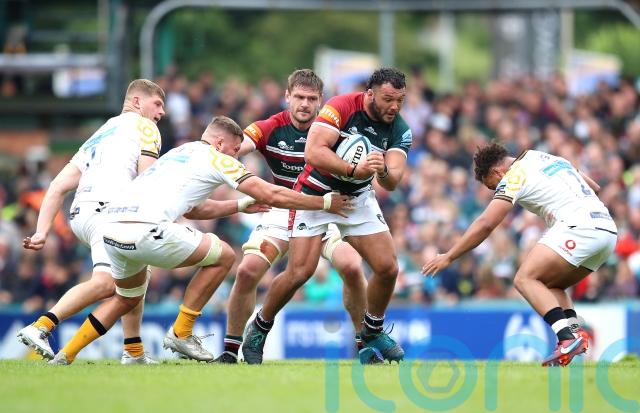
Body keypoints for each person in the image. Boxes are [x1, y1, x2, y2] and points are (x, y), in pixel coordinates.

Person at [48, 116, 352, 365]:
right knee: (225, 256)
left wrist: (239, 205)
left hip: (112, 230)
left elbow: (194, 209)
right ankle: (181, 332)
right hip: (145, 229)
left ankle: (66, 355)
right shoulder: (218, 158)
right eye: (235, 150)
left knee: (125, 299)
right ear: (220, 143)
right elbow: (270, 193)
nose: (236, 156)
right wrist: (323, 203)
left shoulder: (179, 153)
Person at [242, 67, 412, 364]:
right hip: (316, 193)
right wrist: (353, 170)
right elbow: (313, 152)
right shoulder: (341, 107)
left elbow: (392, 181)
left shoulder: (400, 129)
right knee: (300, 272)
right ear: (370, 95)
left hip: (356, 198)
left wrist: (382, 169)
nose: (394, 107)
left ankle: (372, 330)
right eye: (388, 99)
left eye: (400, 100)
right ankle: (259, 327)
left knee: (388, 267)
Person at [214, 69, 368, 364]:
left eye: (311, 98)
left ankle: (364, 344)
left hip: (324, 210)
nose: (304, 104)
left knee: (351, 266)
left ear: (321, 100)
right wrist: (217, 154)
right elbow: (238, 147)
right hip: (282, 210)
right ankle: (231, 351)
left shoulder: (334, 131)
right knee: (247, 271)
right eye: (299, 97)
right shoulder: (270, 127)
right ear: (287, 96)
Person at [422, 143, 617, 367]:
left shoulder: (514, 175)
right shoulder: (547, 158)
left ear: (497, 172)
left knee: (525, 279)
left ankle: (566, 339)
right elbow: (594, 187)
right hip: (607, 231)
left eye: (493, 186)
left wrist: (449, 256)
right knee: (550, 286)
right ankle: (575, 332)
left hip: (579, 227)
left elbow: (486, 223)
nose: (496, 190)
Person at [18, 79, 166, 364]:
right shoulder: (146, 127)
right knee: (107, 283)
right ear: (137, 102)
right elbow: (148, 177)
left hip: (81, 214)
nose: (162, 112)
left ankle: (133, 350)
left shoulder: (101, 133)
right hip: (109, 212)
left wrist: (41, 231)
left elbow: (58, 185)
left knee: (136, 273)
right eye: (157, 104)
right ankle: (41, 326)